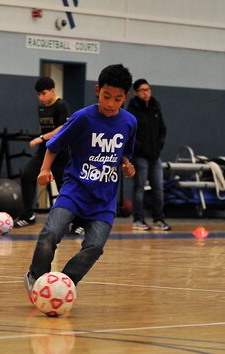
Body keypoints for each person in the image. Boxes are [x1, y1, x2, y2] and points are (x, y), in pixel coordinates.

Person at [23, 64, 136, 297]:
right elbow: (54, 145)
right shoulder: (83, 117)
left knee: (94, 246)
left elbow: (125, 152)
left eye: (117, 99)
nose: (111, 104)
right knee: (50, 234)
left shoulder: (129, 122)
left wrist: (127, 164)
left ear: (125, 97)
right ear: (97, 90)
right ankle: (36, 276)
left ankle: (64, 284)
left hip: (103, 200)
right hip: (74, 192)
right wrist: (45, 169)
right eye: (106, 97)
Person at [14, 77, 69, 228]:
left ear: (53, 90)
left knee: (65, 187)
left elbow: (62, 128)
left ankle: (78, 222)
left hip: (60, 153)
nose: (41, 97)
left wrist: (41, 138)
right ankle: (28, 214)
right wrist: (43, 141)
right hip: (44, 152)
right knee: (27, 175)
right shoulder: (41, 108)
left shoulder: (61, 105)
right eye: (38, 95)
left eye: (44, 93)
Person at [126, 79, 170, 231]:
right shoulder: (132, 111)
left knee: (158, 188)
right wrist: (139, 147)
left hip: (155, 156)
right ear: (136, 93)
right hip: (140, 157)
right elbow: (129, 133)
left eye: (148, 89)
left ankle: (159, 219)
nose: (146, 93)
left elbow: (162, 129)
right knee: (139, 187)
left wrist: (159, 145)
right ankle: (138, 219)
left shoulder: (155, 108)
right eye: (143, 90)